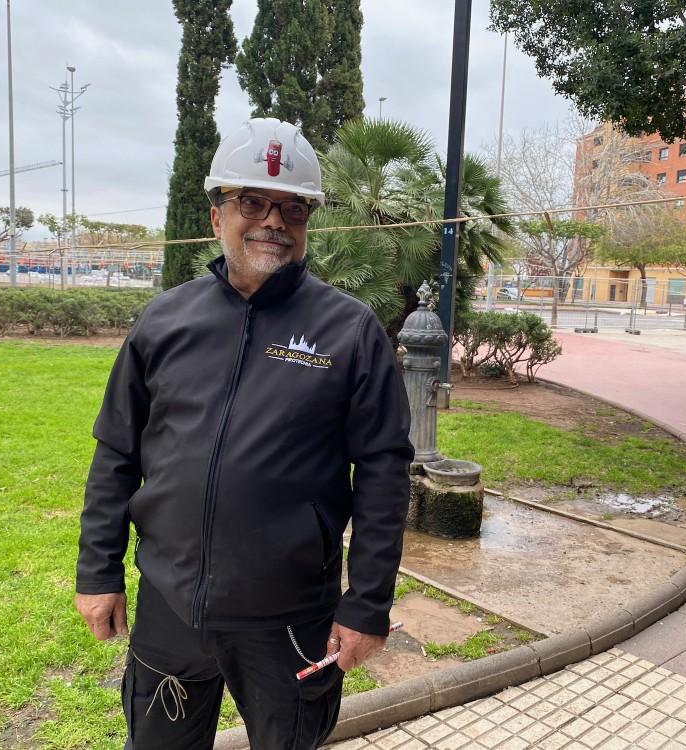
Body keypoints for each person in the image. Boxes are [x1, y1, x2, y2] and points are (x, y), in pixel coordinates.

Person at [75, 117, 414, 750]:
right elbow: (117, 450)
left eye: (293, 209)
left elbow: (384, 473)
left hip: (289, 618)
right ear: (217, 216)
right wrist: (98, 570)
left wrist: (367, 604)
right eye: (252, 202)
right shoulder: (164, 321)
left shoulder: (349, 331)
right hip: (169, 606)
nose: (273, 222)